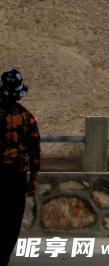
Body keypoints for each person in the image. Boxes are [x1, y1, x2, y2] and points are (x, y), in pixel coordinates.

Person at [1, 70, 39, 266]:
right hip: (16, 176)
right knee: (12, 220)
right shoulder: (26, 117)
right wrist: (34, 177)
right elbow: (34, 149)